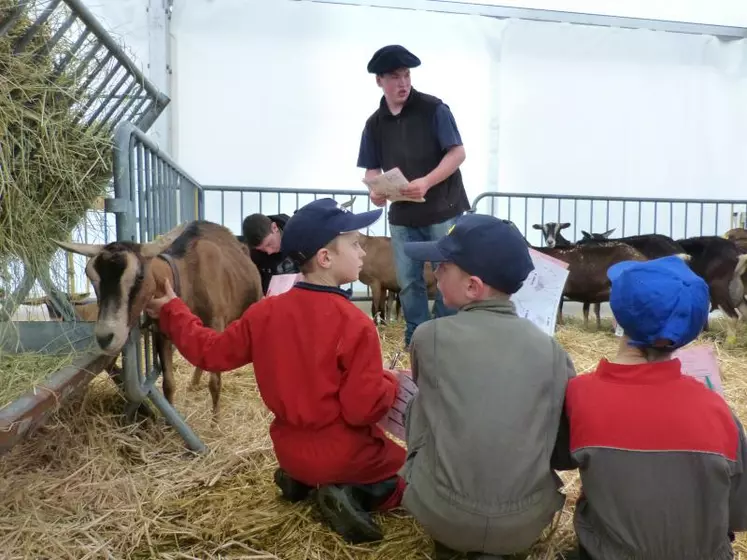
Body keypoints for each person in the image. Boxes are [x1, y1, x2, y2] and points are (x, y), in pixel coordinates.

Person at [145, 198, 407, 544]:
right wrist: (389, 384)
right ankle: (355, 495)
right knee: (407, 473)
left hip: (288, 450)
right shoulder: (356, 325)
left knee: (313, 461)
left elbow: (210, 352)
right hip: (346, 455)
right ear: (325, 258)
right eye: (356, 245)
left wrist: (174, 310)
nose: (363, 252)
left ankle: (301, 481)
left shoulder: (263, 314)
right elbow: (363, 409)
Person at [400, 213, 578, 560]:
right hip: (524, 523)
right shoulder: (552, 351)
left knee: (417, 404)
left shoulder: (429, 336)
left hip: (445, 515)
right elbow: (564, 446)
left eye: (442, 266)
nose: (434, 272)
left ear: (473, 287)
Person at [564, 255, 747, 559]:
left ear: (619, 319)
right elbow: (738, 517)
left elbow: (562, 461)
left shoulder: (579, 394)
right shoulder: (719, 412)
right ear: (689, 333)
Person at [358, 44, 471, 348]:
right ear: (379, 81)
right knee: (408, 282)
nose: (403, 82)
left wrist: (427, 181)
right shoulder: (374, 124)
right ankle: (417, 340)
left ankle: (445, 338)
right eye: (395, 76)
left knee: (448, 274)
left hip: (442, 209)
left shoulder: (434, 109)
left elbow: (457, 152)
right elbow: (370, 171)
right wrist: (376, 190)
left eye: (407, 75)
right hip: (403, 215)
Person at [239, 212, 299, 294]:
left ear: (274, 228)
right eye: (262, 250)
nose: (269, 252)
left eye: (269, 244)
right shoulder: (252, 254)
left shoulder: (301, 237)